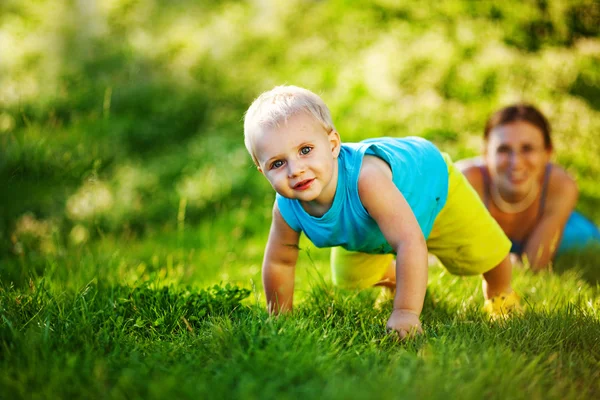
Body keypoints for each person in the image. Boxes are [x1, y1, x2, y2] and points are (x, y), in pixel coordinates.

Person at [243, 85, 519, 339]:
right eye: (278, 163)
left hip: (428, 183)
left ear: (332, 145)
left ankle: (500, 295)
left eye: (305, 150)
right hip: (376, 220)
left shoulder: (366, 178)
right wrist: (278, 318)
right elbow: (280, 261)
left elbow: (409, 240)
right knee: (350, 276)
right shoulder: (286, 206)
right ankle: (401, 280)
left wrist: (406, 314)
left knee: (484, 251)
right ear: (262, 171)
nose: (295, 170)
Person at [456, 104, 600, 271]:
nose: (515, 163)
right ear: (485, 153)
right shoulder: (465, 182)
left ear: (547, 153)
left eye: (527, 149)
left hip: (568, 230)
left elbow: (534, 265)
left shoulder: (562, 186)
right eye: (503, 149)